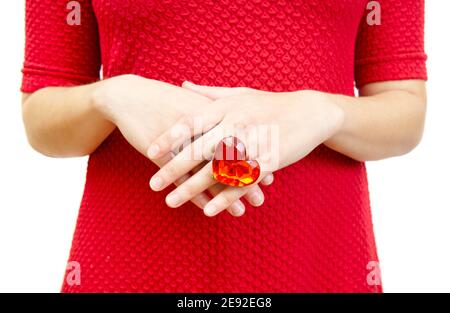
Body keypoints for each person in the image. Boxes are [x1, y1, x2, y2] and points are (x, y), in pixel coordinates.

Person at [21, 0, 427, 292]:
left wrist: (326, 112)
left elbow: (405, 114)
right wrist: (111, 95)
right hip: (130, 264)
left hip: (320, 262)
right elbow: (41, 120)